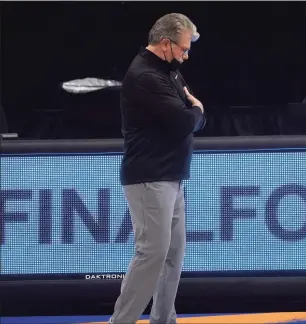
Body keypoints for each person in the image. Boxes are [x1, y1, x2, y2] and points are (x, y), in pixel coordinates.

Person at [109, 13, 205, 324]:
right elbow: (184, 121)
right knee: (151, 255)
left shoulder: (169, 72)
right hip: (150, 177)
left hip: (171, 175)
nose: (185, 56)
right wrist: (197, 109)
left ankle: (164, 319)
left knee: (173, 255)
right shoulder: (146, 77)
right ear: (165, 44)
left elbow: (191, 117)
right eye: (183, 49)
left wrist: (195, 113)